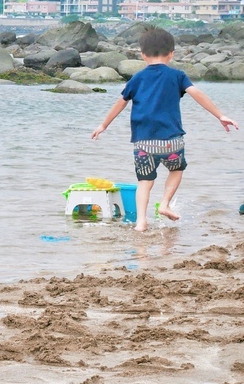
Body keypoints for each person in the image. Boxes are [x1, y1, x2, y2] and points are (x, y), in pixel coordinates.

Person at [91, 27, 237, 231]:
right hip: (171, 141)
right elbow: (198, 94)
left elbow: (120, 102)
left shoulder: (138, 78)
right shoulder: (177, 76)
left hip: (144, 143)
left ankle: (141, 221)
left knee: (144, 182)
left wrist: (103, 125)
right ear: (171, 54)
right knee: (177, 170)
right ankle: (165, 204)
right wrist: (220, 115)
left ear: (143, 55)